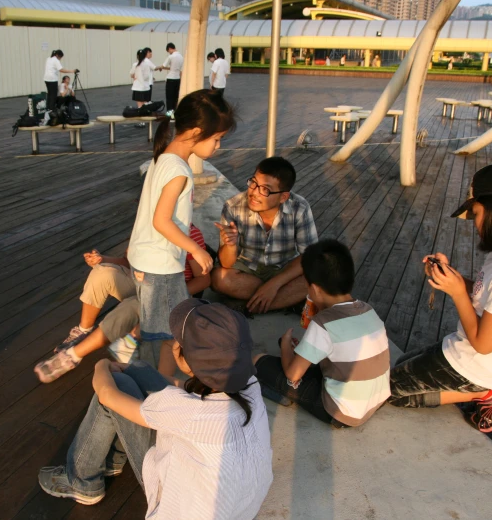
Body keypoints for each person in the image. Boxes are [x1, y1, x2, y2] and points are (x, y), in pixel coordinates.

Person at [38, 299, 274, 519]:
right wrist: (130, 368)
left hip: (182, 506)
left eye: (177, 342)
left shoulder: (187, 412)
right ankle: (115, 459)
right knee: (137, 369)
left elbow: (108, 395)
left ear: (184, 359)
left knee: (117, 384)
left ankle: (81, 482)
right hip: (241, 502)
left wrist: (101, 365)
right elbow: (183, 385)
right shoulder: (249, 385)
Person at [389, 162, 492, 433]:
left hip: (481, 365)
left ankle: (488, 395)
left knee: (389, 391)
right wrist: (450, 276)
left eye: (476, 213)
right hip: (470, 351)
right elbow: (482, 291)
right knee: (400, 365)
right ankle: (483, 390)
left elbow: (484, 344)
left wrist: (455, 293)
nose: (474, 224)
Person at [128, 89, 235, 376]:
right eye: (216, 139)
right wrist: (197, 249)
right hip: (160, 266)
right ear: (198, 132)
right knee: (172, 332)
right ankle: (159, 387)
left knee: (165, 325)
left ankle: (128, 349)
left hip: (145, 260)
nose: (217, 147)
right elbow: (161, 221)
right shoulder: (179, 171)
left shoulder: (164, 158)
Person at [34, 224, 211, 384]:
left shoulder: (189, 233)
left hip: (172, 295)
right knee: (102, 272)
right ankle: (83, 330)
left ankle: (71, 357)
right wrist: (103, 259)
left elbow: (204, 279)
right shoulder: (145, 224)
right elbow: (128, 262)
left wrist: (170, 294)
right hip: (142, 285)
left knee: (133, 305)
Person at [254, 240, 391, 427]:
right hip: (376, 400)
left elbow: (293, 374)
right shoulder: (368, 309)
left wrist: (286, 345)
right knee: (312, 364)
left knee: (258, 362)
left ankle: (280, 395)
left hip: (342, 413)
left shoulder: (324, 322)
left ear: (316, 290)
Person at [211, 156, 318, 315]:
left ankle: (249, 305)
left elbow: (309, 255)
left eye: (265, 189)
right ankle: (282, 301)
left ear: (283, 197)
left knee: (318, 280)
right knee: (219, 278)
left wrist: (274, 284)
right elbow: (226, 263)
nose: (254, 193)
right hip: (248, 270)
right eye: (253, 183)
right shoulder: (233, 207)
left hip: (283, 269)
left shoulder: (299, 208)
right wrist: (230, 245)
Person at [156, 42, 183, 115]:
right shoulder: (181, 56)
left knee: (169, 98)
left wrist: (158, 68)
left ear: (170, 48)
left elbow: (163, 65)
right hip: (177, 79)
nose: (169, 53)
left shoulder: (171, 57)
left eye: (168, 51)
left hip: (170, 79)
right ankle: (175, 113)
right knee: (175, 98)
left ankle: (169, 114)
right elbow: (173, 68)